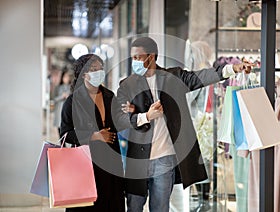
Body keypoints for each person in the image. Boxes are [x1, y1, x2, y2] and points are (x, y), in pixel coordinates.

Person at [112, 37, 253, 212]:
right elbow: (119, 120)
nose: (134, 62)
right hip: (137, 160)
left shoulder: (173, 76)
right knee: (134, 207)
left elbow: (201, 76)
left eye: (138, 57)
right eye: (132, 58)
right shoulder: (127, 85)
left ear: (151, 56)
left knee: (160, 208)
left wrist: (232, 69)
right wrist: (146, 116)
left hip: (165, 159)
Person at [60, 54, 125, 212]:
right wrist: (94, 136)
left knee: (112, 202)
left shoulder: (110, 96)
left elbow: (120, 124)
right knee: (87, 204)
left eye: (100, 68)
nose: (98, 72)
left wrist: (130, 113)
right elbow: (65, 134)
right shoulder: (73, 101)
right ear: (84, 74)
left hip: (111, 161)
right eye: (93, 69)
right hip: (85, 162)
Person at [53, 69, 71, 136]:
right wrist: (62, 96)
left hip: (68, 111)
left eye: (68, 76)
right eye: (65, 77)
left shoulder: (71, 87)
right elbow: (54, 99)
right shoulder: (58, 87)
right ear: (62, 77)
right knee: (59, 127)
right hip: (59, 110)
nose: (67, 78)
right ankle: (62, 145)